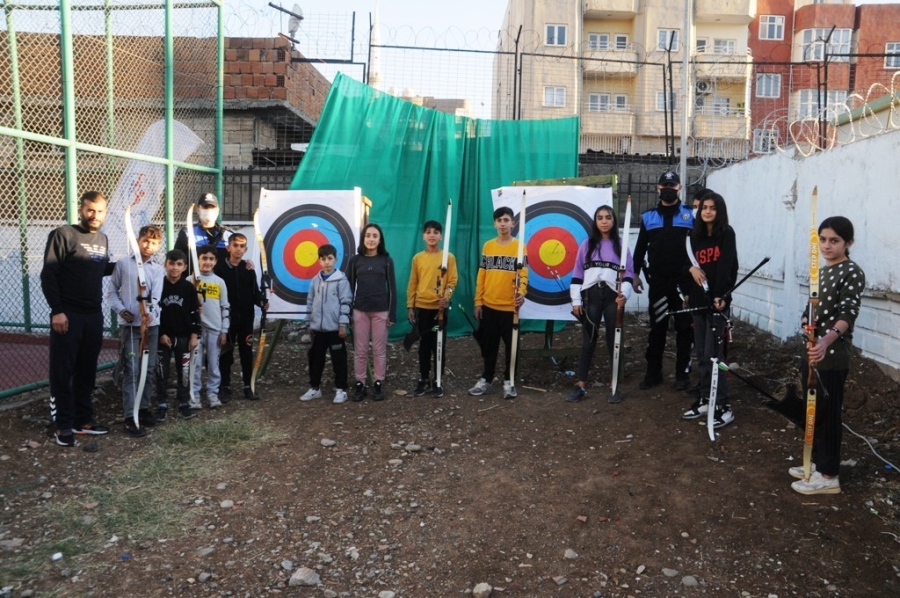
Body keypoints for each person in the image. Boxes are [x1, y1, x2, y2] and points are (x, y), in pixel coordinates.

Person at [789, 216, 865, 496]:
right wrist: (806, 325)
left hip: (831, 356)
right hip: (811, 352)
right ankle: (817, 462)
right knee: (814, 411)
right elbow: (812, 311)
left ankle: (829, 474)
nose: (827, 245)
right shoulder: (820, 272)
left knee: (829, 414)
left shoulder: (851, 271)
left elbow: (848, 314)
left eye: (834, 240)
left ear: (848, 243)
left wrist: (826, 340)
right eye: (822, 239)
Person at [40, 191, 116, 446]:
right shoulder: (63, 235)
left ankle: (83, 420)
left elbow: (102, 268)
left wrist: (132, 262)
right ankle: (63, 425)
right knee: (63, 371)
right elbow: (48, 275)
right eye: (90, 210)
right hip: (68, 315)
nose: (95, 216)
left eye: (100, 211)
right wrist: (57, 311)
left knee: (87, 369)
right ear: (81, 209)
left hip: (93, 314)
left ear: (105, 213)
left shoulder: (103, 239)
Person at [680, 193, 738, 428]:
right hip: (698, 302)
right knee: (702, 355)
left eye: (713, 208)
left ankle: (724, 404)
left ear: (719, 210)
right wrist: (690, 270)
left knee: (717, 357)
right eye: (704, 208)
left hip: (717, 303)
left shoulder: (726, 233)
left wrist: (721, 295)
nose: (708, 212)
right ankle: (706, 398)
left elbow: (728, 265)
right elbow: (684, 261)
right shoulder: (693, 235)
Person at [632, 170, 694, 391]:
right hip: (658, 282)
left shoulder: (690, 215)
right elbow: (640, 248)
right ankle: (653, 373)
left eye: (673, 186)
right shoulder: (648, 217)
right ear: (658, 188)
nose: (668, 189)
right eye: (664, 186)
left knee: (685, 329)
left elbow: (697, 248)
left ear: (679, 188)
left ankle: (682, 375)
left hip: (684, 284)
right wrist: (635, 274)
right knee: (657, 327)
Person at [567, 205, 634, 404]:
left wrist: (625, 293)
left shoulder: (621, 246)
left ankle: (614, 386)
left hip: (613, 295)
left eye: (608, 217)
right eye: (600, 217)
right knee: (589, 339)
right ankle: (581, 385)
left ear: (613, 221)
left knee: (613, 340)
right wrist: (576, 300)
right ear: (595, 221)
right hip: (591, 296)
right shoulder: (587, 245)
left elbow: (628, 273)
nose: (604, 221)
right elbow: (578, 274)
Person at [107, 224, 166, 436]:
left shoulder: (158, 270)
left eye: (154, 243)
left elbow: (157, 298)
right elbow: (112, 291)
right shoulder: (123, 264)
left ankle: (143, 408)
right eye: (146, 241)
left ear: (159, 245)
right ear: (138, 240)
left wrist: (150, 312)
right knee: (132, 369)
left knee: (148, 369)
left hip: (150, 327)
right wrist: (121, 310)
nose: (149, 246)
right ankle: (130, 416)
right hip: (130, 328)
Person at [469, 206, 528, 399]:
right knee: (489, 346)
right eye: (499, 220)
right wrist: (478, 301)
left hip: (510, 307)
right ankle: (487, 378)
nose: (503, 224)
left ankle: (509, 381)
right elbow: (482, 275)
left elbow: (523, 274)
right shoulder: (488, 246)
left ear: (513, 223)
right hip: (489, 305)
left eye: (506, 220)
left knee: (512, 347)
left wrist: (521, 292)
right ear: (494, 223)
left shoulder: (520, 247)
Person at [406, 220, 459, 398]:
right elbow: (413, 283)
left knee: (438, 343)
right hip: (422, 310)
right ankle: (423, 378)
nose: (432, 235)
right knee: (424, 344)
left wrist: (447, 296)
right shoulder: (418, 258)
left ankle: (437, 379)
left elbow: (452, 282)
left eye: (436, 232)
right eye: (428, 232)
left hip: (440, 312)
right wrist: (410, 305)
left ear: (441, 236)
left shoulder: (448, 258)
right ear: (423, 236)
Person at [215, 233, 269, 401]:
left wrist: (261, 301)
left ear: (246, 249)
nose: (238, 249)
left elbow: (254, 292)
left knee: (246, 351)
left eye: (242, 246)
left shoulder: (248, 269)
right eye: (235, 245)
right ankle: (225, 386)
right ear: (228, 247)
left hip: (245, 319)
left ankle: (248, 385)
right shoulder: (219, 270)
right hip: (227, 319)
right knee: (226, 353)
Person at [347, 223, 397, 401]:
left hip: (381, 311)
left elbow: (392, 288)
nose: (371, 239)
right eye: (368, 235)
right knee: (360, 350)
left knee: (379, 349)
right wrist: (347, 314)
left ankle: (378, 382)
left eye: (375, 236)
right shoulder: (355, 260)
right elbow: (349, 289)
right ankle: (360, 383)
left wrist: (391, 313)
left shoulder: (386, 260)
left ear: (380, 239)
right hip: (359, 311)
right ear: (363, 238)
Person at [299, 244, 352, 404]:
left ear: (335, 259)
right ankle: (315, 388)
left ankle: (341, 389)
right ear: (319, 261)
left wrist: (343, 324)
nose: (327, 262)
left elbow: (346, 302)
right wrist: (308, 322)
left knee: (339, 359)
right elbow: (310, 301)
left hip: (335, 329)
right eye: (323, 259)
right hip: (318, 329)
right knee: (315, 359)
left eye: (330, 258)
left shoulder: (341, 280)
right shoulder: (315, 280)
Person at [156, 249, 201, 421]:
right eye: (172, 263)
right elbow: (154, 311)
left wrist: (194, 335)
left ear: (185, 267)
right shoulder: (159, 285)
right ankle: (161, 403)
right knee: (161, 370)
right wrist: (160, 333)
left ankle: (183, 402)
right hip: (164, 337)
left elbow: (194, 312)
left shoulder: (189, 287)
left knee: (184, 370)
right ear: (165, 264)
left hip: (183, 336)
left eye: (179, 264)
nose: (175, 267)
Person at [191, 245, 230, 409]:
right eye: (204, 258)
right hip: (196, 331)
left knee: (214, 364)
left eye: (211, 259)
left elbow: (225, 307)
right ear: (198, 259)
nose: (207, 262)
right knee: (196, 364)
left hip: (215, 329)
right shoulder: (190, 280)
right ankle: (194, 395)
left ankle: (213, 393)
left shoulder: (219, 282)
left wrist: (224, 330)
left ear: (215, 261)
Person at [174, 193, 232, 272]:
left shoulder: (228, 235)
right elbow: (176, 259)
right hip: (194, 281)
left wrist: (247, 263)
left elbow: (235, 260)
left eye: (212, 208)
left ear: (218, 210)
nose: (209, 211)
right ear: (198, 209)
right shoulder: (187, 233)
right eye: (206, 207)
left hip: (220, 282)